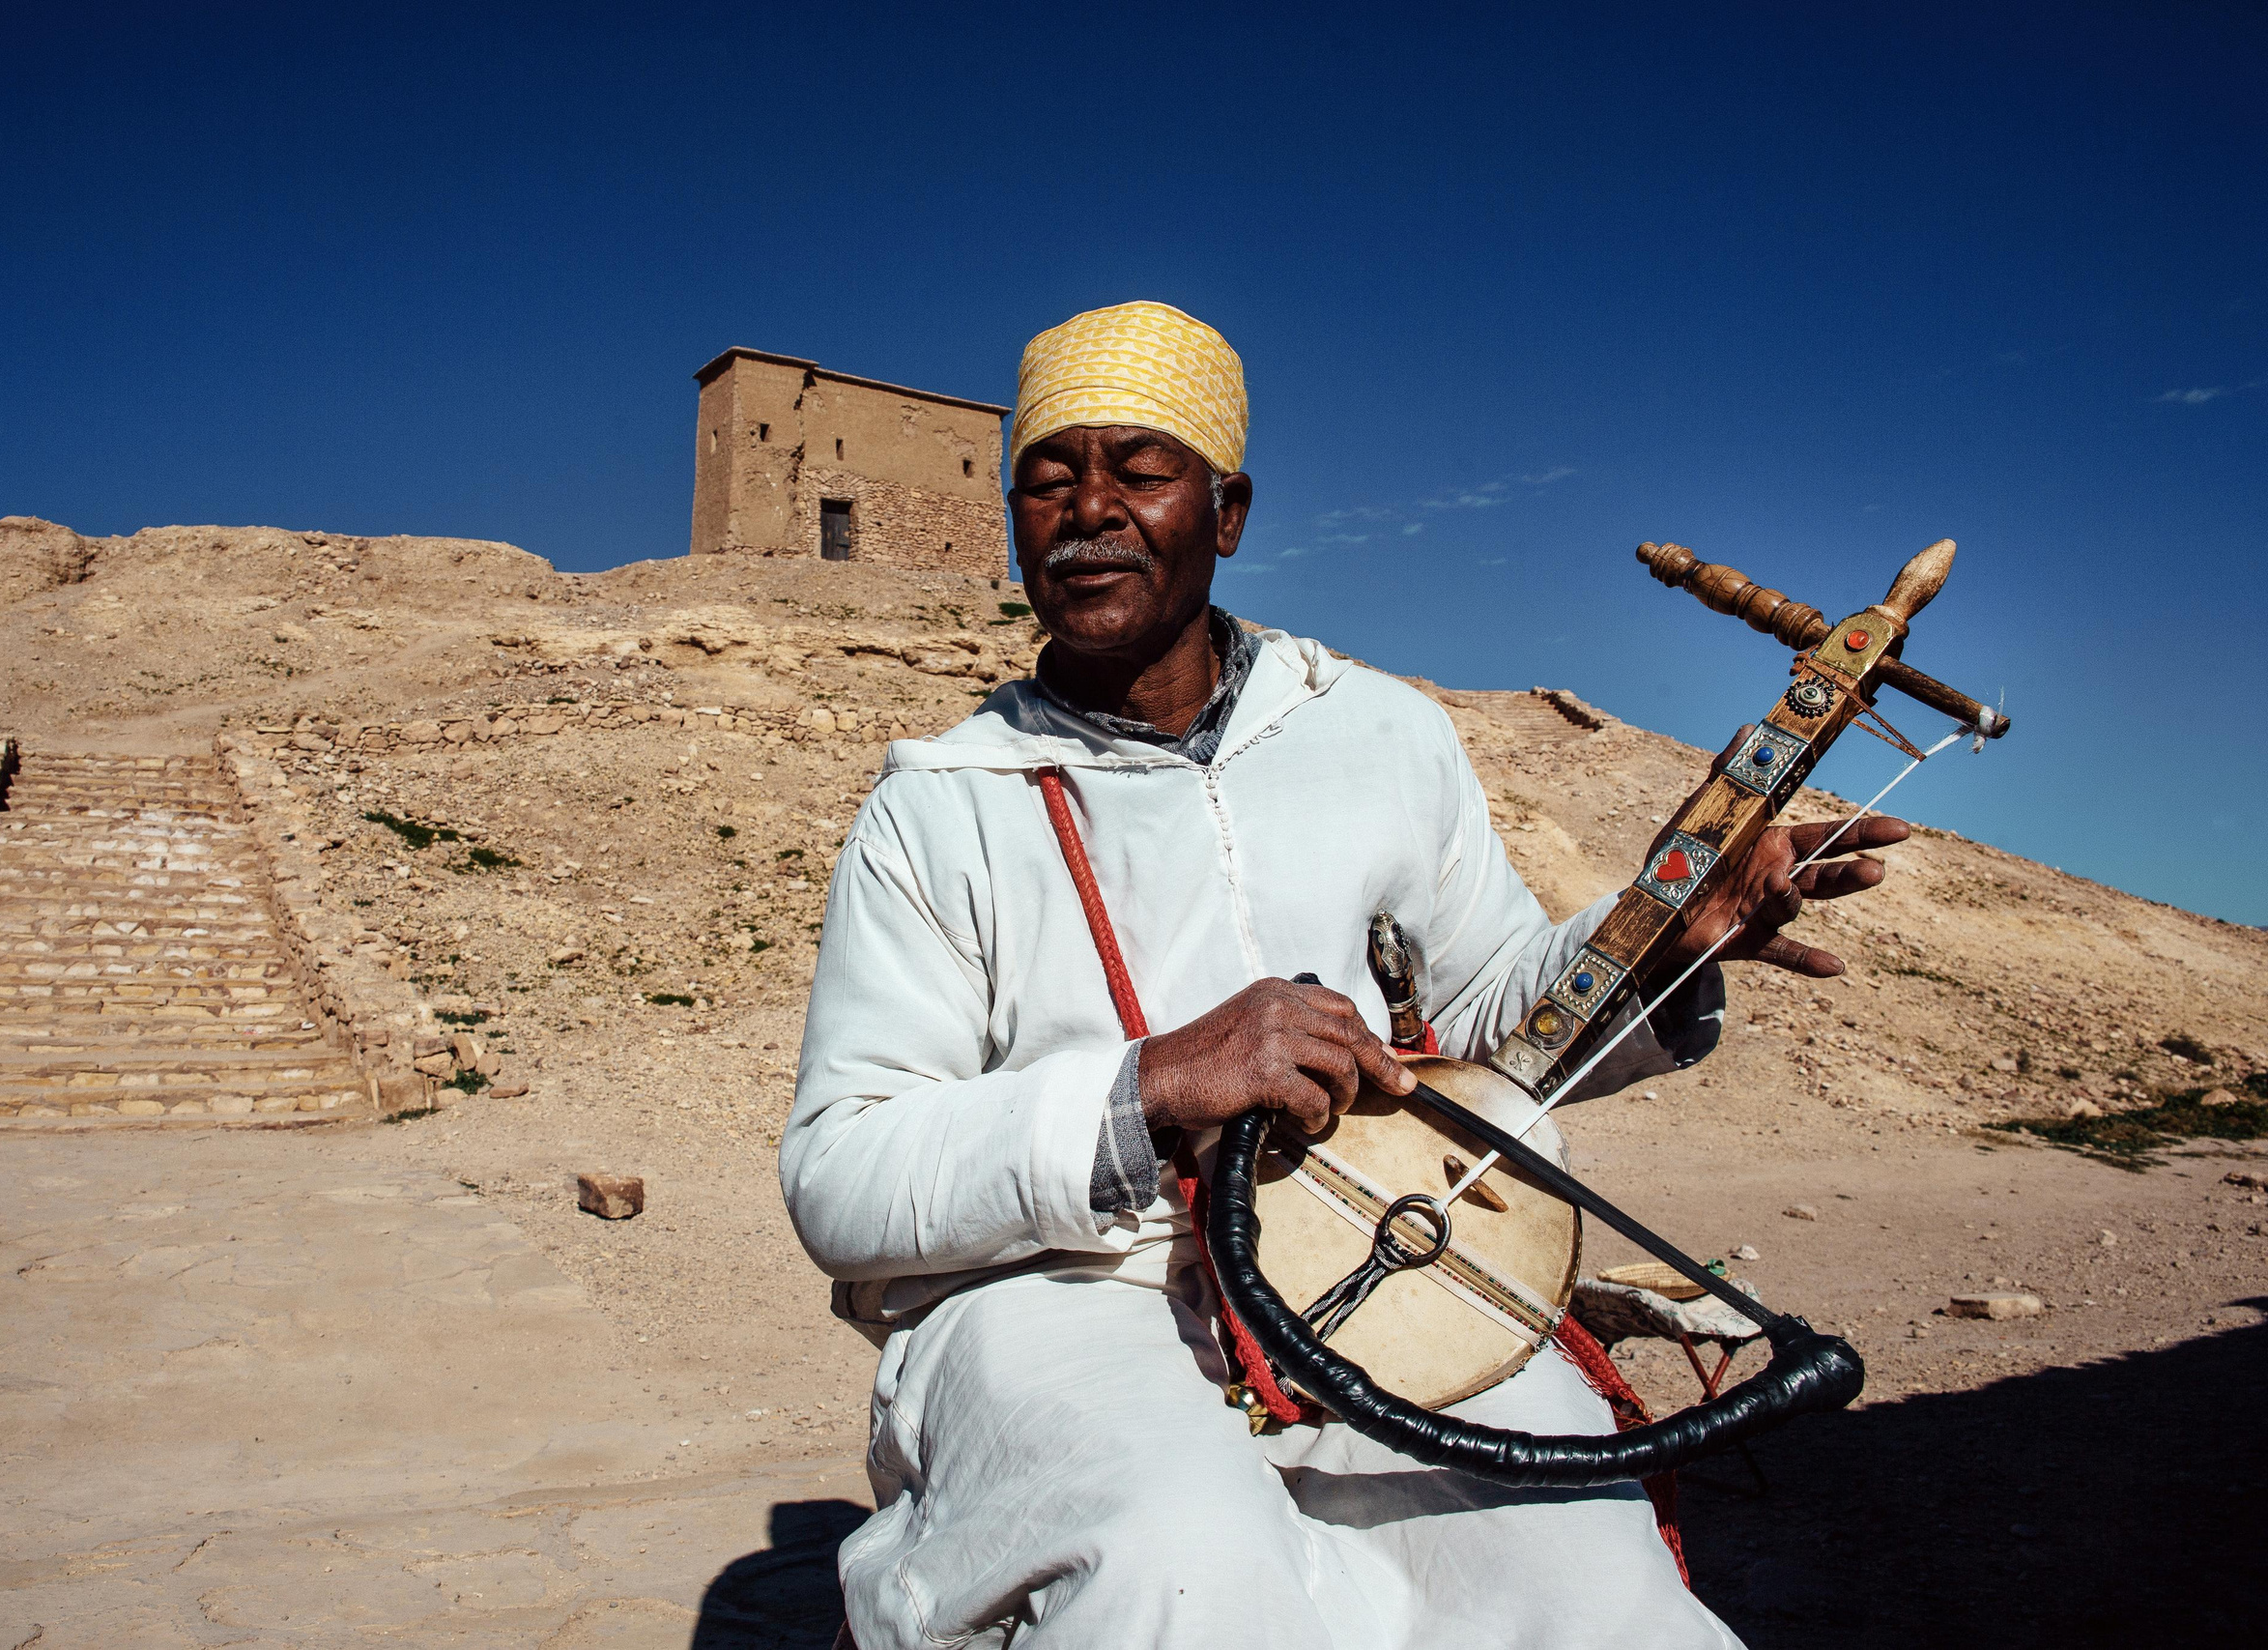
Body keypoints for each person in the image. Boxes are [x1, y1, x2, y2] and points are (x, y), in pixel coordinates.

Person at [781, 300, 1906, 1648]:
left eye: (1139, 471)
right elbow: (843, 1178)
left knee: (1592, 1597)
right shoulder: (939, 805)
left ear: (1230, 511)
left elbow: (1504, 1015)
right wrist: (1153, 1087)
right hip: (1067, 1294)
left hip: (1382, 1260)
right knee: (1184, 1571)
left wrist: (1665, 937)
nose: (1087, 511)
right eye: (1047, 476)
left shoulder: (1379, 733)